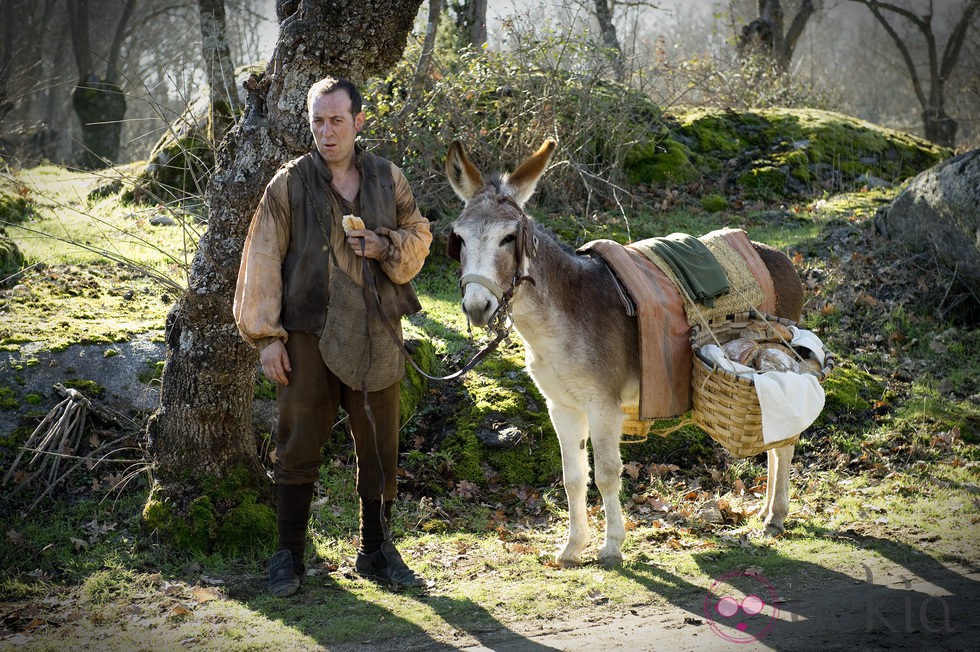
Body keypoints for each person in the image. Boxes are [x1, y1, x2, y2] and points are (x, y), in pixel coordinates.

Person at [233, 76, 432, 597]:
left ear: (359, 121)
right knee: (297, 444)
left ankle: (377, 551)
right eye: (317, 121)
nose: (326, 131)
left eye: (336, 120)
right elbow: (260, 257)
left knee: (380, 446)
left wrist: (384, 244)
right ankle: (288, 557)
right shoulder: (287, 184)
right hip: (306, 335)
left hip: (376, 332)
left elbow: (420, 239)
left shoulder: (389, 179)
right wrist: (266, 337)